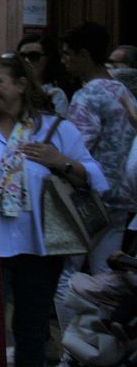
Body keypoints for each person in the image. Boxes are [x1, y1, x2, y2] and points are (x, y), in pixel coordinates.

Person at [0, 53, 107, 367]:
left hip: (41, 249)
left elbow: (95, 178)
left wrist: (60, 161)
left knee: (31, 329)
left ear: (21, 85)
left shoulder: (55, 128)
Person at [60, 23, 137, 273]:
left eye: (67, 54)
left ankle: (76, 314)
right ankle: (95, 314)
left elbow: (76, 148)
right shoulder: (124, 91)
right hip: (121, 198)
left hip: (88, 197)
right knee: (104, 277)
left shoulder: (88, 95)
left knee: (66, 275)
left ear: (84, 55)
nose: (63, 61)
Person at [17, 33, 70, 116]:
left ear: (48, 59)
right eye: (22, 56)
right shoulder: (12, 89)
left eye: (34, 56)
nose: (26, 61)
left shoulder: (55, 95)